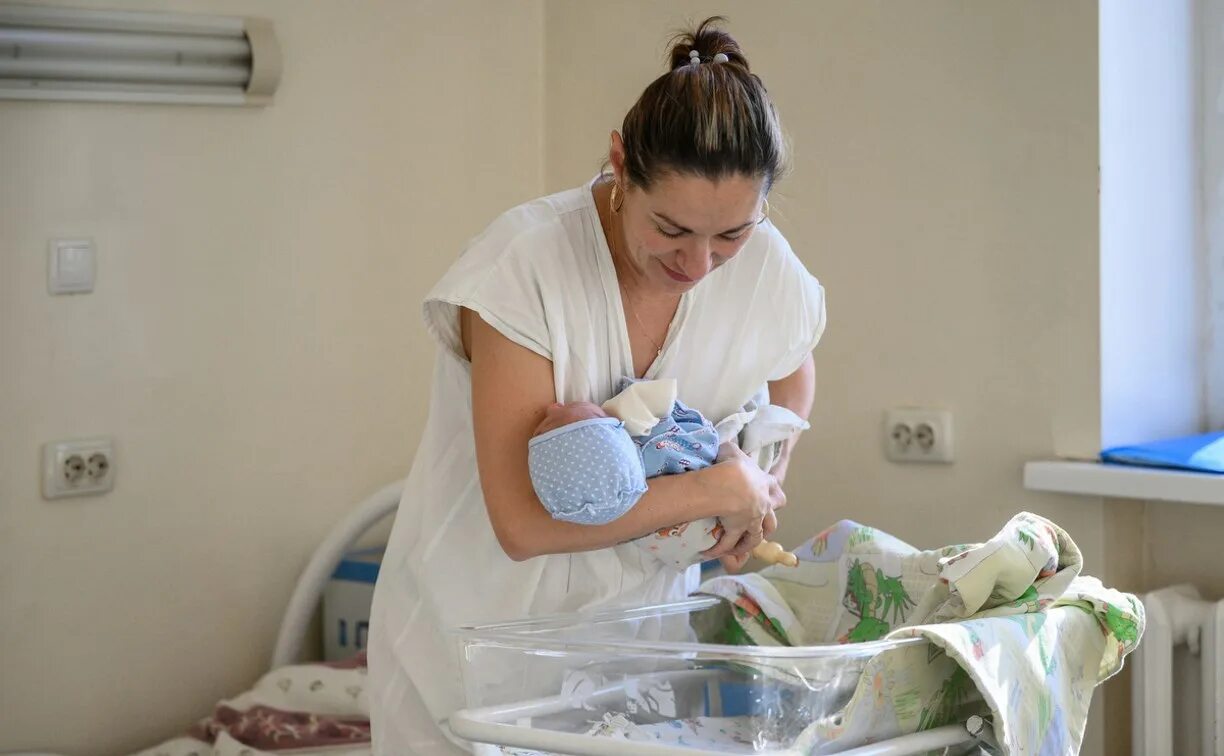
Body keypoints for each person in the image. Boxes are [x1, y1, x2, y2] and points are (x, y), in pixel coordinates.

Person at [368, 17, 826, 755]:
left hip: (636, 650)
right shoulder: (524, 269)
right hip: (476, 645)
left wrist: (762, 485)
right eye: (671, 229)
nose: (701, 263)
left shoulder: (767, 266)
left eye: (731, 235)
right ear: (619, 163)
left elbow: (794, 366)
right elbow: (522, 525)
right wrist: (717, 491)